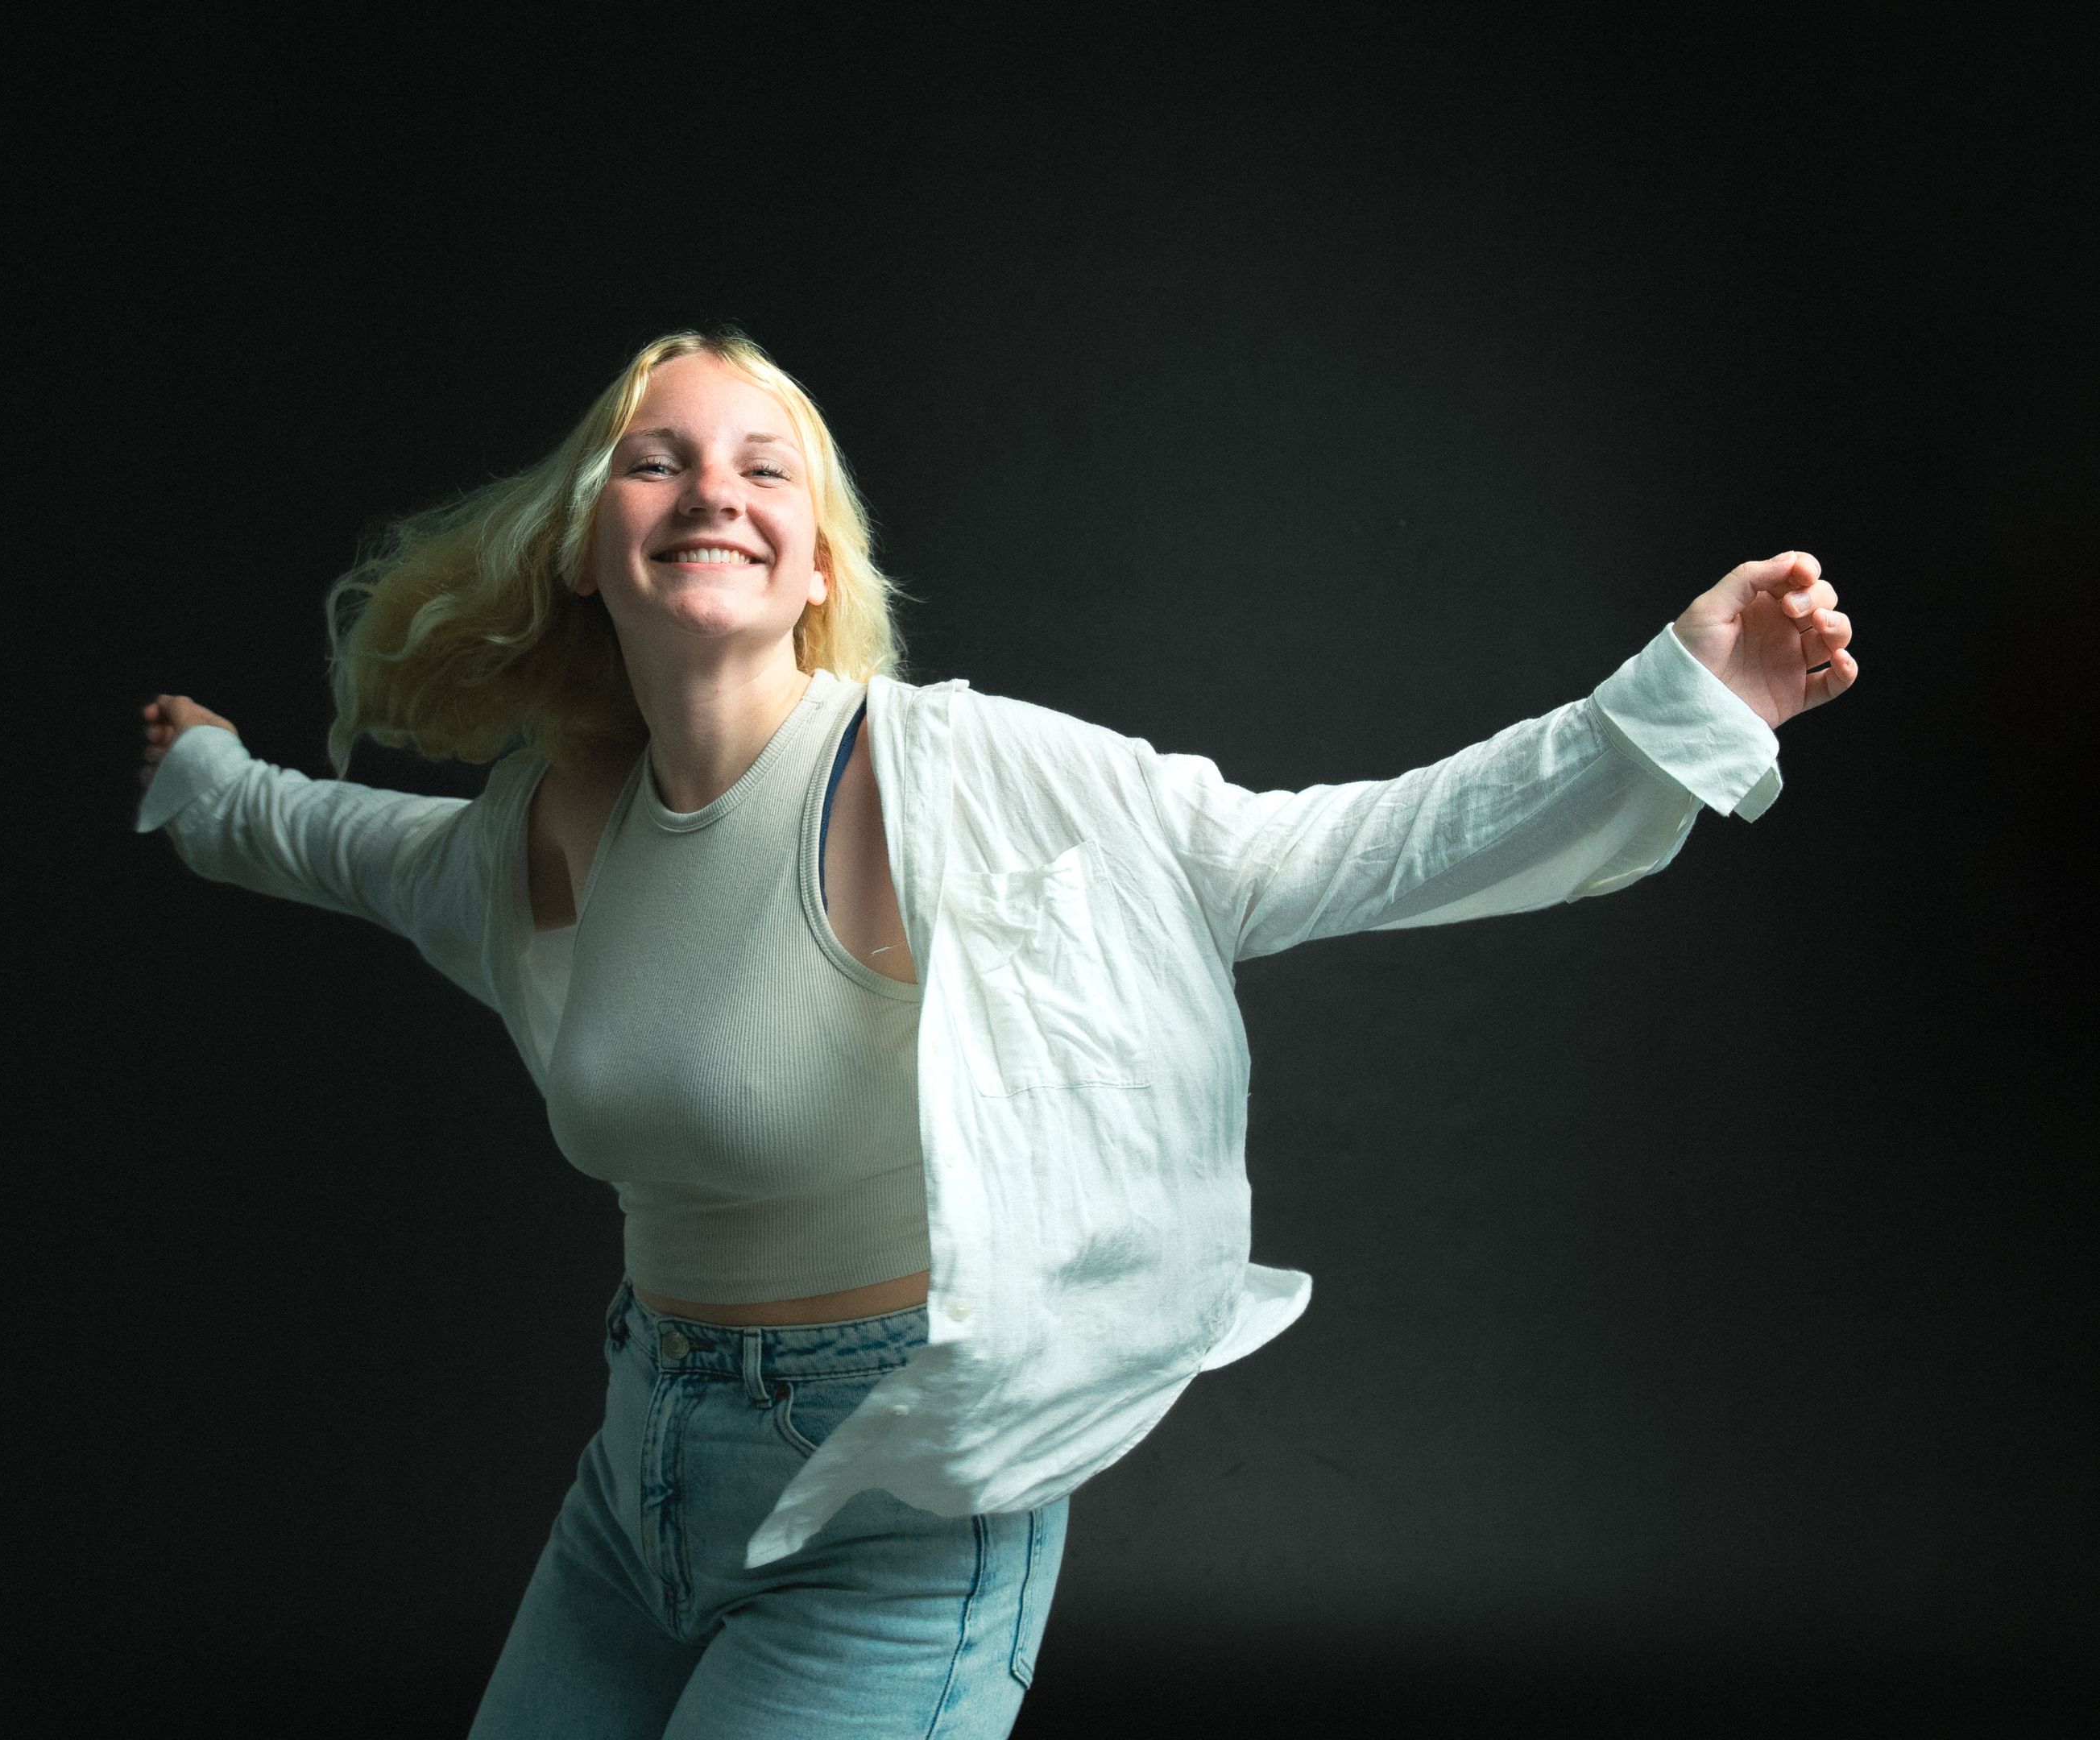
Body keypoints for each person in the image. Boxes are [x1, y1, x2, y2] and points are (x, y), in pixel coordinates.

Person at [133, 328, 1854, 1738]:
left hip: (889, 1499)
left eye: (763, 468)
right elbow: (317, 837)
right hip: (636, 1473)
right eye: (656, 461)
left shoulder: (948, 778)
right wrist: (202, 775)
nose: (712, 490)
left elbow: (1326, 848)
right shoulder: (540, 831)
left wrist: (1672, 706)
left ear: (816, 561)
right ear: (589, 547)